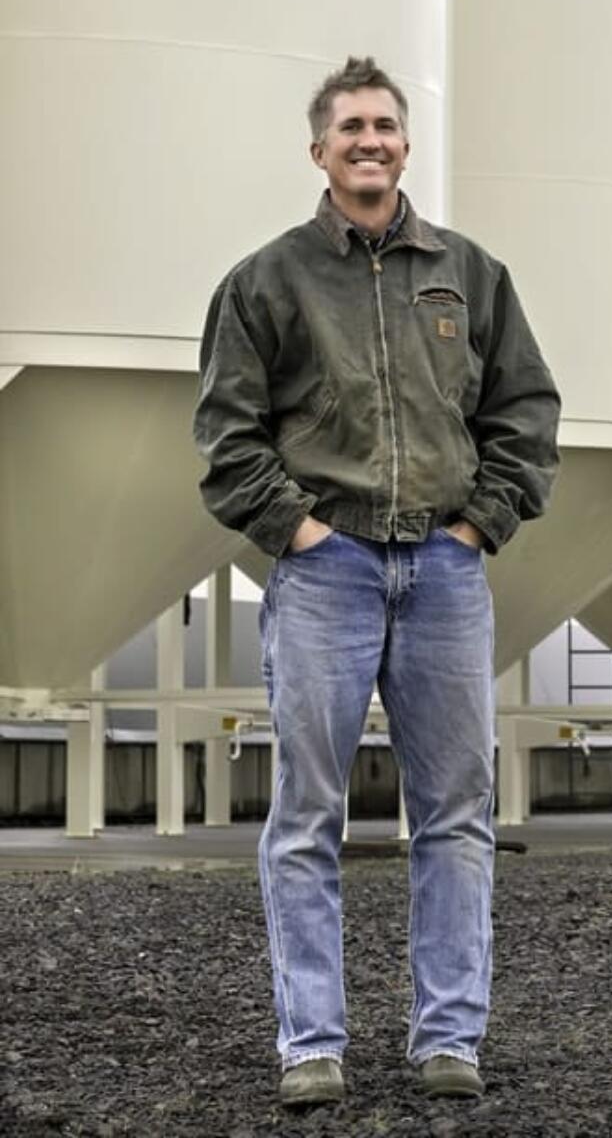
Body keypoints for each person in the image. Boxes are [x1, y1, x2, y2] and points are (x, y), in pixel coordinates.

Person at [193, 55, 560, 1110]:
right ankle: (311, 1041)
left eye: (385, 125)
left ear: (405, 143)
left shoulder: (469, 274)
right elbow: (225, 433)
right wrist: (297, 530)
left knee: (454, 813)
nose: (370, 140)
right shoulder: (265, 281)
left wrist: (479, 524)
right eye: (351, 125)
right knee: (306, 813)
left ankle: (449, 1038)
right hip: (328, 571)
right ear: (320, 149)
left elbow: (524, 409)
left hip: (443, 571)